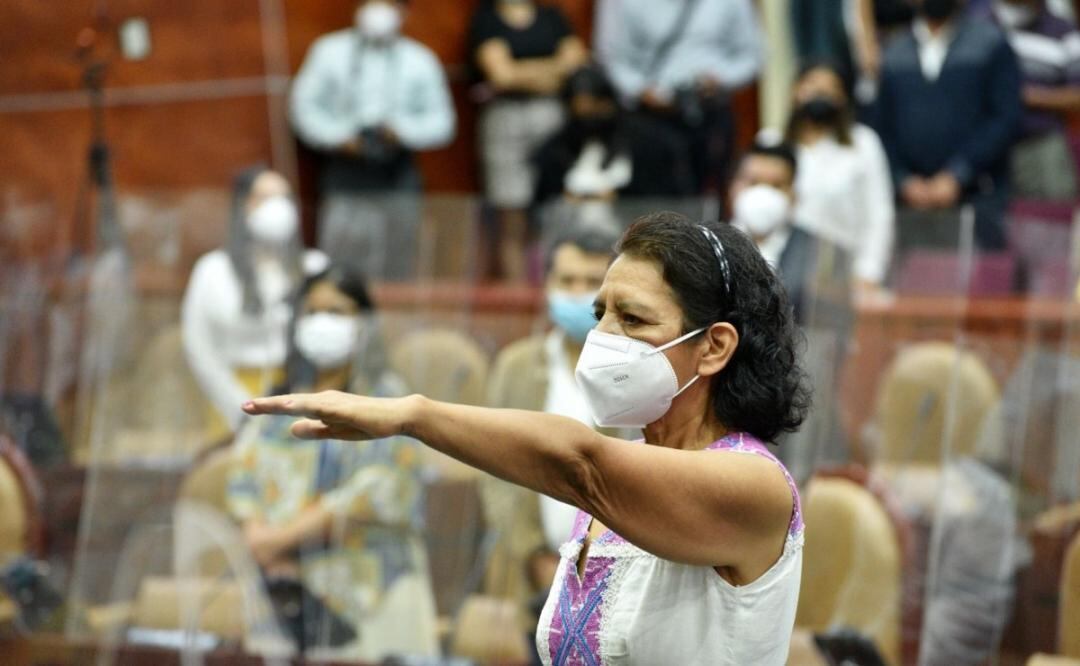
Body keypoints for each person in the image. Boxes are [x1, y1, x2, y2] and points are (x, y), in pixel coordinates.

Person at [244, 212, 811, 665]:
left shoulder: (753, 483)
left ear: (713, 346)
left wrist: (413, 415)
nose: (603, 336)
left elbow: (580, 464)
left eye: (633, 320)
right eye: (601, 314)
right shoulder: (607, 491)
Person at [227, 264, 437, 661]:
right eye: (313, 312)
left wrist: (278, 541)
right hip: (282, 585)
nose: (323, 322)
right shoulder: (280, 400)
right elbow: (242, 478)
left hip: (369, 594)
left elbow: (375, 491)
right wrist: (260, 541)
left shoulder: (389, 400)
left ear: (364, 324)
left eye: (337, 313)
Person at [480, 225, 620, 647]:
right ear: (547, 286)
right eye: (566, 281)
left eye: (592, 282)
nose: (578, 293)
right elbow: (493, 468)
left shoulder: (634, 370)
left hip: (615, 574)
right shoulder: (517, 365)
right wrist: (535, 555)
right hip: (528, 573)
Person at [290, 0, 455, 279]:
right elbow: (303, 109)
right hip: (345, 168)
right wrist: (339, 137)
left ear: (405, 10)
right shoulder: (329, 51)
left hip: (397, 170)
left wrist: (401, 132)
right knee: (341, 265)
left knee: (398, 263)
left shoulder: (419, 59)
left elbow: (443, 123)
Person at [182, 166, 326, 439]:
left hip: (300, 396)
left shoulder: (314, 267)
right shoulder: (213, 270)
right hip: (230, 399)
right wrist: (240, 408)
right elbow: (199, 347)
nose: (278, 208)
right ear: (242, 205)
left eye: (285, 198)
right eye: (265, 198)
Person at [874, 0, 1022, 251]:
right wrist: (903, 180)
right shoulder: (893, 51)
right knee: (916, 283)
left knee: (979, 284)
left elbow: (1004, 118)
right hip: (910, 204)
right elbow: (881, 127)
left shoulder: (991, 43)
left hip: (979, 196)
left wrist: (958, 174)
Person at [469, 0, 588, 281]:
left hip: (554, 116)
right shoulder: (486, 19)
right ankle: (516, 297)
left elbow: (577, 62)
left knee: (561, 210)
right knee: (512, 217)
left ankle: (564, 287)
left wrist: (520, 71)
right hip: (506, 118)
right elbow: (501, 75)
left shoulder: (552, 16)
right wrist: (552, 70)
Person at [593, 0, 764, 193]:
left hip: (710, 115)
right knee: (652, 202)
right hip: (648, 120)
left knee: (712, 199)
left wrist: (722, 79)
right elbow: (612, 57)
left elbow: (752, 55)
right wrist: (640, 89)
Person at [786, 61, 894, 295]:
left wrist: (869, 271)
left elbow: (879, 213)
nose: (820, 94)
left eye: (830, 89)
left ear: (843, 98)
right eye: (813, 86)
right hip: (782, 276)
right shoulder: (772, 143)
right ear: (795, 91)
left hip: (845, 276)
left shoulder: (863, 143)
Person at [532, 65, 693, 210]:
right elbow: (545, 199)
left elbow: (666, 195)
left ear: (609, 102)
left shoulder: (649, 142)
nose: (590, 120)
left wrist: (620, 196)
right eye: (581, 115)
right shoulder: (557, 149)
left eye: (596, 110)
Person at [729, 138, 850, 324]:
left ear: (794, 194)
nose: (762, 194)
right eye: (753, 183)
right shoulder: (705, 246)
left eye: (776, 185)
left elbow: (830, 329)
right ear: (733, 187)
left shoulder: (821, 253)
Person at [972, 0, 1080, 201]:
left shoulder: (1063, 30)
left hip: (1040, 143)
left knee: (1053, 219)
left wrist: (1031, 96)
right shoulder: (977, 25)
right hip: (986, 147)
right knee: (989, 223)